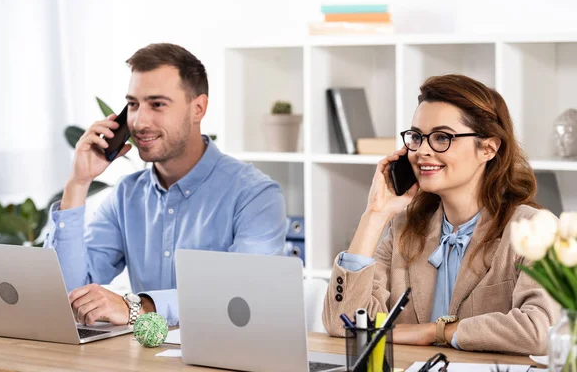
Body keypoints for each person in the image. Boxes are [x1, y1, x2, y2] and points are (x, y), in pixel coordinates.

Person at [44, 43, 286, 327]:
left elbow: (241, 296)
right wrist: (78, 183)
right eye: (133, 105)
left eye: (157, 104)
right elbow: (69, 293)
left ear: (198, 108)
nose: (139, 121)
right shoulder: (126, 196)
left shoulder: (256, 196)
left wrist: (138, 307)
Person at [322, 74, 558, 355]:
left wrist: (438, 331)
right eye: (417, 137)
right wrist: (374, 214)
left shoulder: (534, 229)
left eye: (441, 137)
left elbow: (539, 331)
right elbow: (343, 323)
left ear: (489, 148)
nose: (422, 151)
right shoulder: (404, 229)